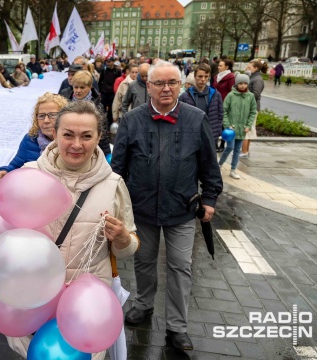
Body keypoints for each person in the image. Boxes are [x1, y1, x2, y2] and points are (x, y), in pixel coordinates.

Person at [0, 100, 139, 360]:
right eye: (68, 134)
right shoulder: (30, 174)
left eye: (86, 136)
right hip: (31, 302)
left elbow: (130, 246)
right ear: (54, 134)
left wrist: (123, 238)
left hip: (85, 311)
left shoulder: (113, 184)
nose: (76, 144)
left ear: (99, 137)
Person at [112, 61, 222, 351]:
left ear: (180, 85)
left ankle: (177, 327)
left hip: (182, 209)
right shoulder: (132, 120)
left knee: (180, 267)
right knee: (144, 261)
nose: (166, 88)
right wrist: (113, 202)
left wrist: (210, 198)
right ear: (147, 87)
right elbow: (118, 167)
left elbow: (209, 164)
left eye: (172, 82)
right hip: (142, 209)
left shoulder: (196, 119)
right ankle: (143, 304)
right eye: (159, 83)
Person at [0, 92, 67, 182]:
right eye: (41, 116)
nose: (46, 120)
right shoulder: (30, 140)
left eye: (52, 115)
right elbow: (16, 165)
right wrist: (5, 171)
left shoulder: (72, 142)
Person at [59, 70, 112, 158]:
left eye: (82, 87)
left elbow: (103, 132)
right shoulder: (65, 101)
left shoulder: (98, 105)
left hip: (89, 150)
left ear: (90, 87)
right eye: (76, 87)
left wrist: (106, 153)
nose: (78, 91)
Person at [219, 73, 257, 179]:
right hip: (232, 128)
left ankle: (233, 169)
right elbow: (224, 110)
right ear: (237, 84)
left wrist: (248, 125)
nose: (243, 86)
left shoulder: (250, 96)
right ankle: (219, 165)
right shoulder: (231, 95)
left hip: (243, 128)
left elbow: (253, 112)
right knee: (230, 147)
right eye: (241, 83)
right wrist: (227, 124)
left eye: (245, 83)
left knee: (237, 149)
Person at [178, 63, 224, 146]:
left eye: (206, 76)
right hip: (190, 137)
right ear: (195, 77)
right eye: (200, 76)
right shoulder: (185, 96)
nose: (203, 79)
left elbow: (220, 114)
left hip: (210, 135)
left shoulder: (215, 95)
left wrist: (217, 131)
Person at [241, 59, 268, 158]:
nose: (247, 68)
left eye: (249, 67)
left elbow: (256, 94)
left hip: (251, 107)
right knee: (248, 129)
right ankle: (245, 151)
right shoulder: (253, 77)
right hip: (249, 106)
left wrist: (243, 94)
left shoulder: (257, 79)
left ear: (255, 68)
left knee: (247, 129)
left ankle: (244, 152)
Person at [212, 59, 235, 152]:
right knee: (215, 123)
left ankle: (222, 144)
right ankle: (215, 143)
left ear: (227, 67)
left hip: (225, 103)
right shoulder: (216, 77)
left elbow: (232, 91)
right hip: (215, 102)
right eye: (219, 65)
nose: (218, 67)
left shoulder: (231, 77)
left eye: (221, 65)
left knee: (224, 124)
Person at [99, 57, 121, 125]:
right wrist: (100, 91)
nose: (108, 63)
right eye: (107, 62)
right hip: (104, 92)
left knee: (111, 109)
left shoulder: (117, 71)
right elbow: (100, 81)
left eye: (109, 62)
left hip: (112, 93)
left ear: (113, 62)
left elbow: (119, 81)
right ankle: (102, 123)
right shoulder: (104, 70)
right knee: (102, 108)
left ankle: (110, 124)